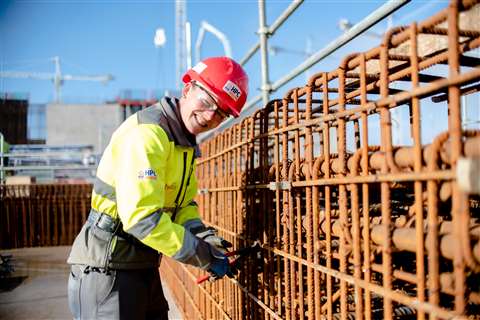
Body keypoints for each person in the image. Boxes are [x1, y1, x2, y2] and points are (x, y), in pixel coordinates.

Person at [67, 56, 248, 320]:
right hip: (108, 268)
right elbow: (142, 219)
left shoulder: (182, 144)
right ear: (187, 89)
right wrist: (203, 255)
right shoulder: (149, 135)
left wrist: (205, 238)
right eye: (207, 101)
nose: (210, 116)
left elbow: (182, 206)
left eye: (221, 112)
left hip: (141, 264)